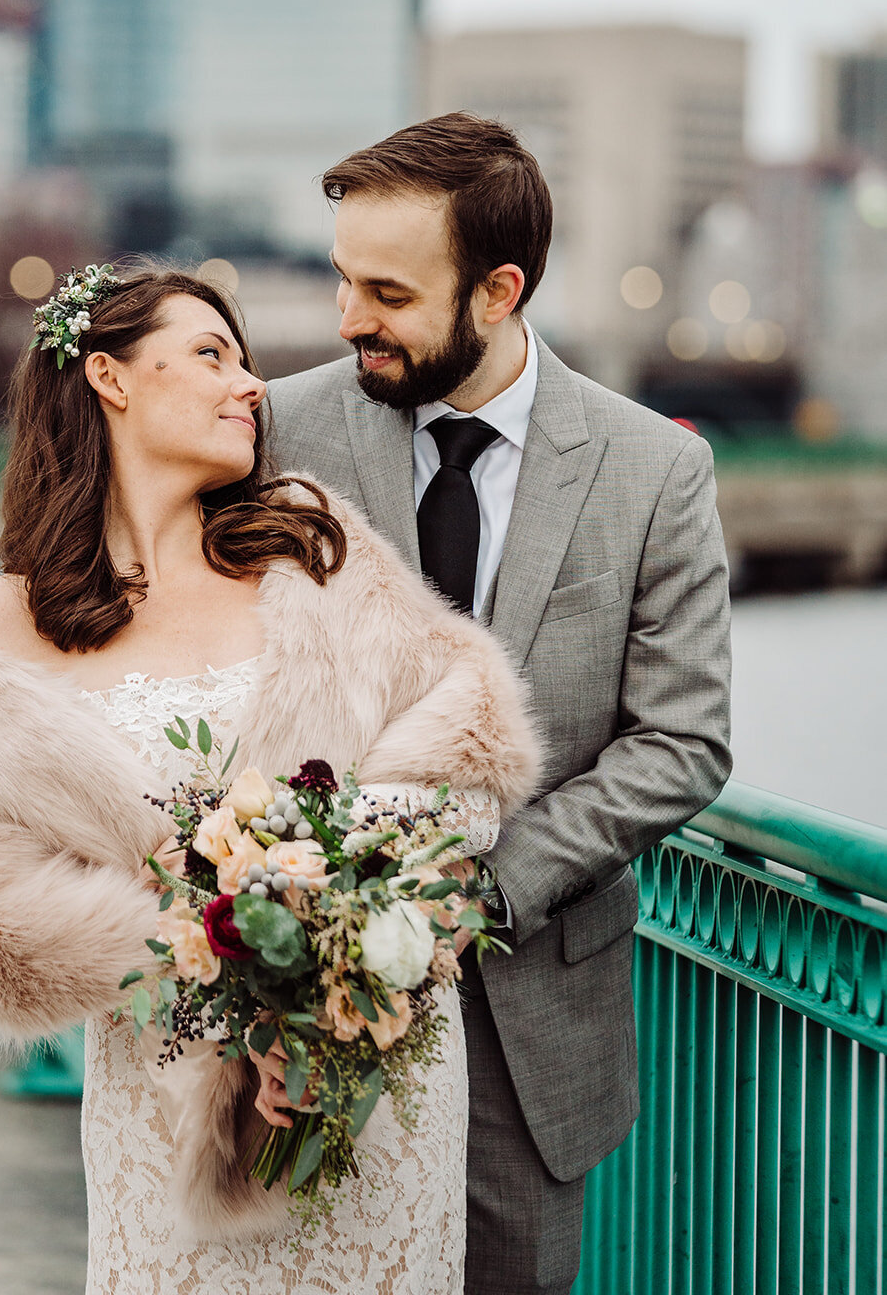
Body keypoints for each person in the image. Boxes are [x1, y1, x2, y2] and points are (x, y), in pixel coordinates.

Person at [0, 265, 543, 1295]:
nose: (250, 384)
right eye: (209, 354)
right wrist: (221, 962)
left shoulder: (310, 547)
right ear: (107, 375)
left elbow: (470, 734)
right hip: (167, 1119)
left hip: (367, 1095)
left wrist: (326, 906)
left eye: (243, 359)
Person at [265, 112, 733, 1295]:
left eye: (384, 289)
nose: (345, 318)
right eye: (338, 278)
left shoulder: (653, 470)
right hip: (298, 1015)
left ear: (497, 288)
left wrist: (480, 889)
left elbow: (680, 740)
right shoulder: (278, 430)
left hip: (528, 1023)